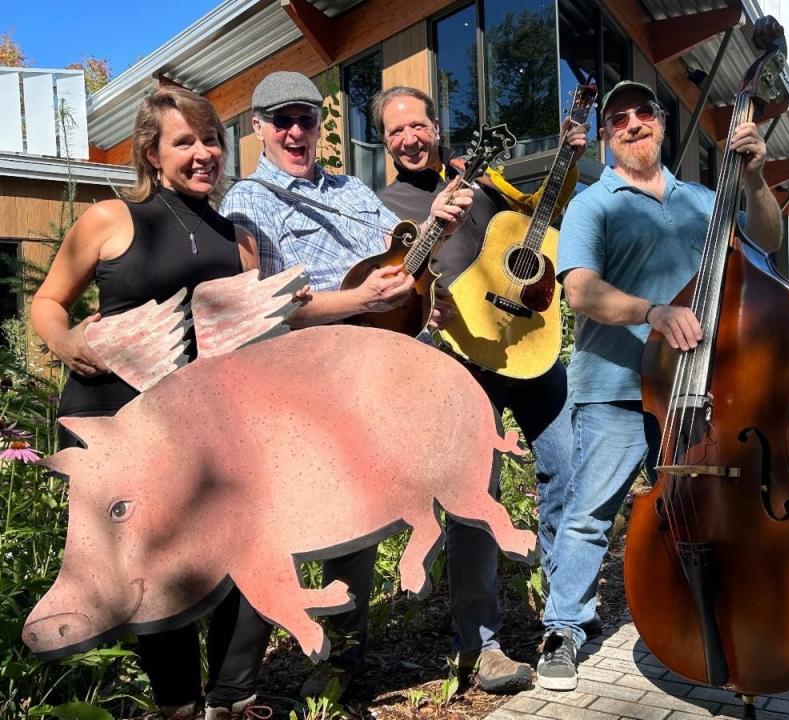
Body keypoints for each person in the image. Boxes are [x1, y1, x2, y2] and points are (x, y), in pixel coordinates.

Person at [219, 71, 472, 698]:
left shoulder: (356, 189)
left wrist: (421, 301)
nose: (296, 131)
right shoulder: (245, 202)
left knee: (356, 525)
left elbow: (395, 265)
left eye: (305, 117)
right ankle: (235, 691)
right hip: (303, 390)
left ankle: (340, 665)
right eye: (282, 121)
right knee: (274, 528)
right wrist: (355, 299)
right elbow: (259, 305)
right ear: (258, 129)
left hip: (377, 379)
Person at [31, 87, 269, 719]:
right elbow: (47, 303)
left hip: (203, 427)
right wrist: (67, 338)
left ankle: (230, 697)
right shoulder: (110, 219)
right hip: (115, 423)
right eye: (184, 142)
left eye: (211, 139)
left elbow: (251, 334)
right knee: (154, 576)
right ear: (151, 152)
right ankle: (178, 707)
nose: (203, 154)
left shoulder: (239, 240)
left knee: (243, 561)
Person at [538, 80, 783, 691]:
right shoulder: (594, 204)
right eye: (617, 119)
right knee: (590, 513)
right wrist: (652, 311)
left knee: (701, 511)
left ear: (661, 123)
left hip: (699, 388)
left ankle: (702, 615)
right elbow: (580, 290)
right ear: (606, 139)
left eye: (642, 112)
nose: (632, 123)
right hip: (617, 387)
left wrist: (752, 178)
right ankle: (564, 628)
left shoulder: (705, 198)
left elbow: (769, 241)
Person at [371, 85, 587, 694]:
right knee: (476, 498)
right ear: (386, 141)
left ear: (437, 127)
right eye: (395, 131)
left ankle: (562, 621)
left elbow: (540, 220)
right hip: (460, 359)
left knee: (568, 472)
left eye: (418, 125)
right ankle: (483, 644)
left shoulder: (483, 181)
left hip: (528, 345)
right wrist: (430, 231)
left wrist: (568, 157)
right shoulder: (382, 204)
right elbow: (389, 284)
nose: (409, 139)